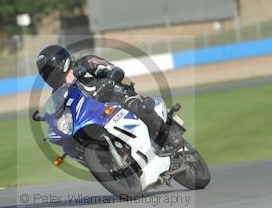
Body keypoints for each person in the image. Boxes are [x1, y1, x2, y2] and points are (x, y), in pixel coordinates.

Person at [35, 44, 183, 150]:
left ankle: (169, 136)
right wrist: (53, 120)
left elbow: (113, 69)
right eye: (46, 73)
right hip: (95, 118)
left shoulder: (86, 62)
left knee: (133, 105)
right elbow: (62, 113)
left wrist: (109, 80)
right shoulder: (57, 93)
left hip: (117, 98)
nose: (50, 75)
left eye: (50, 70)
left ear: (62, 62)